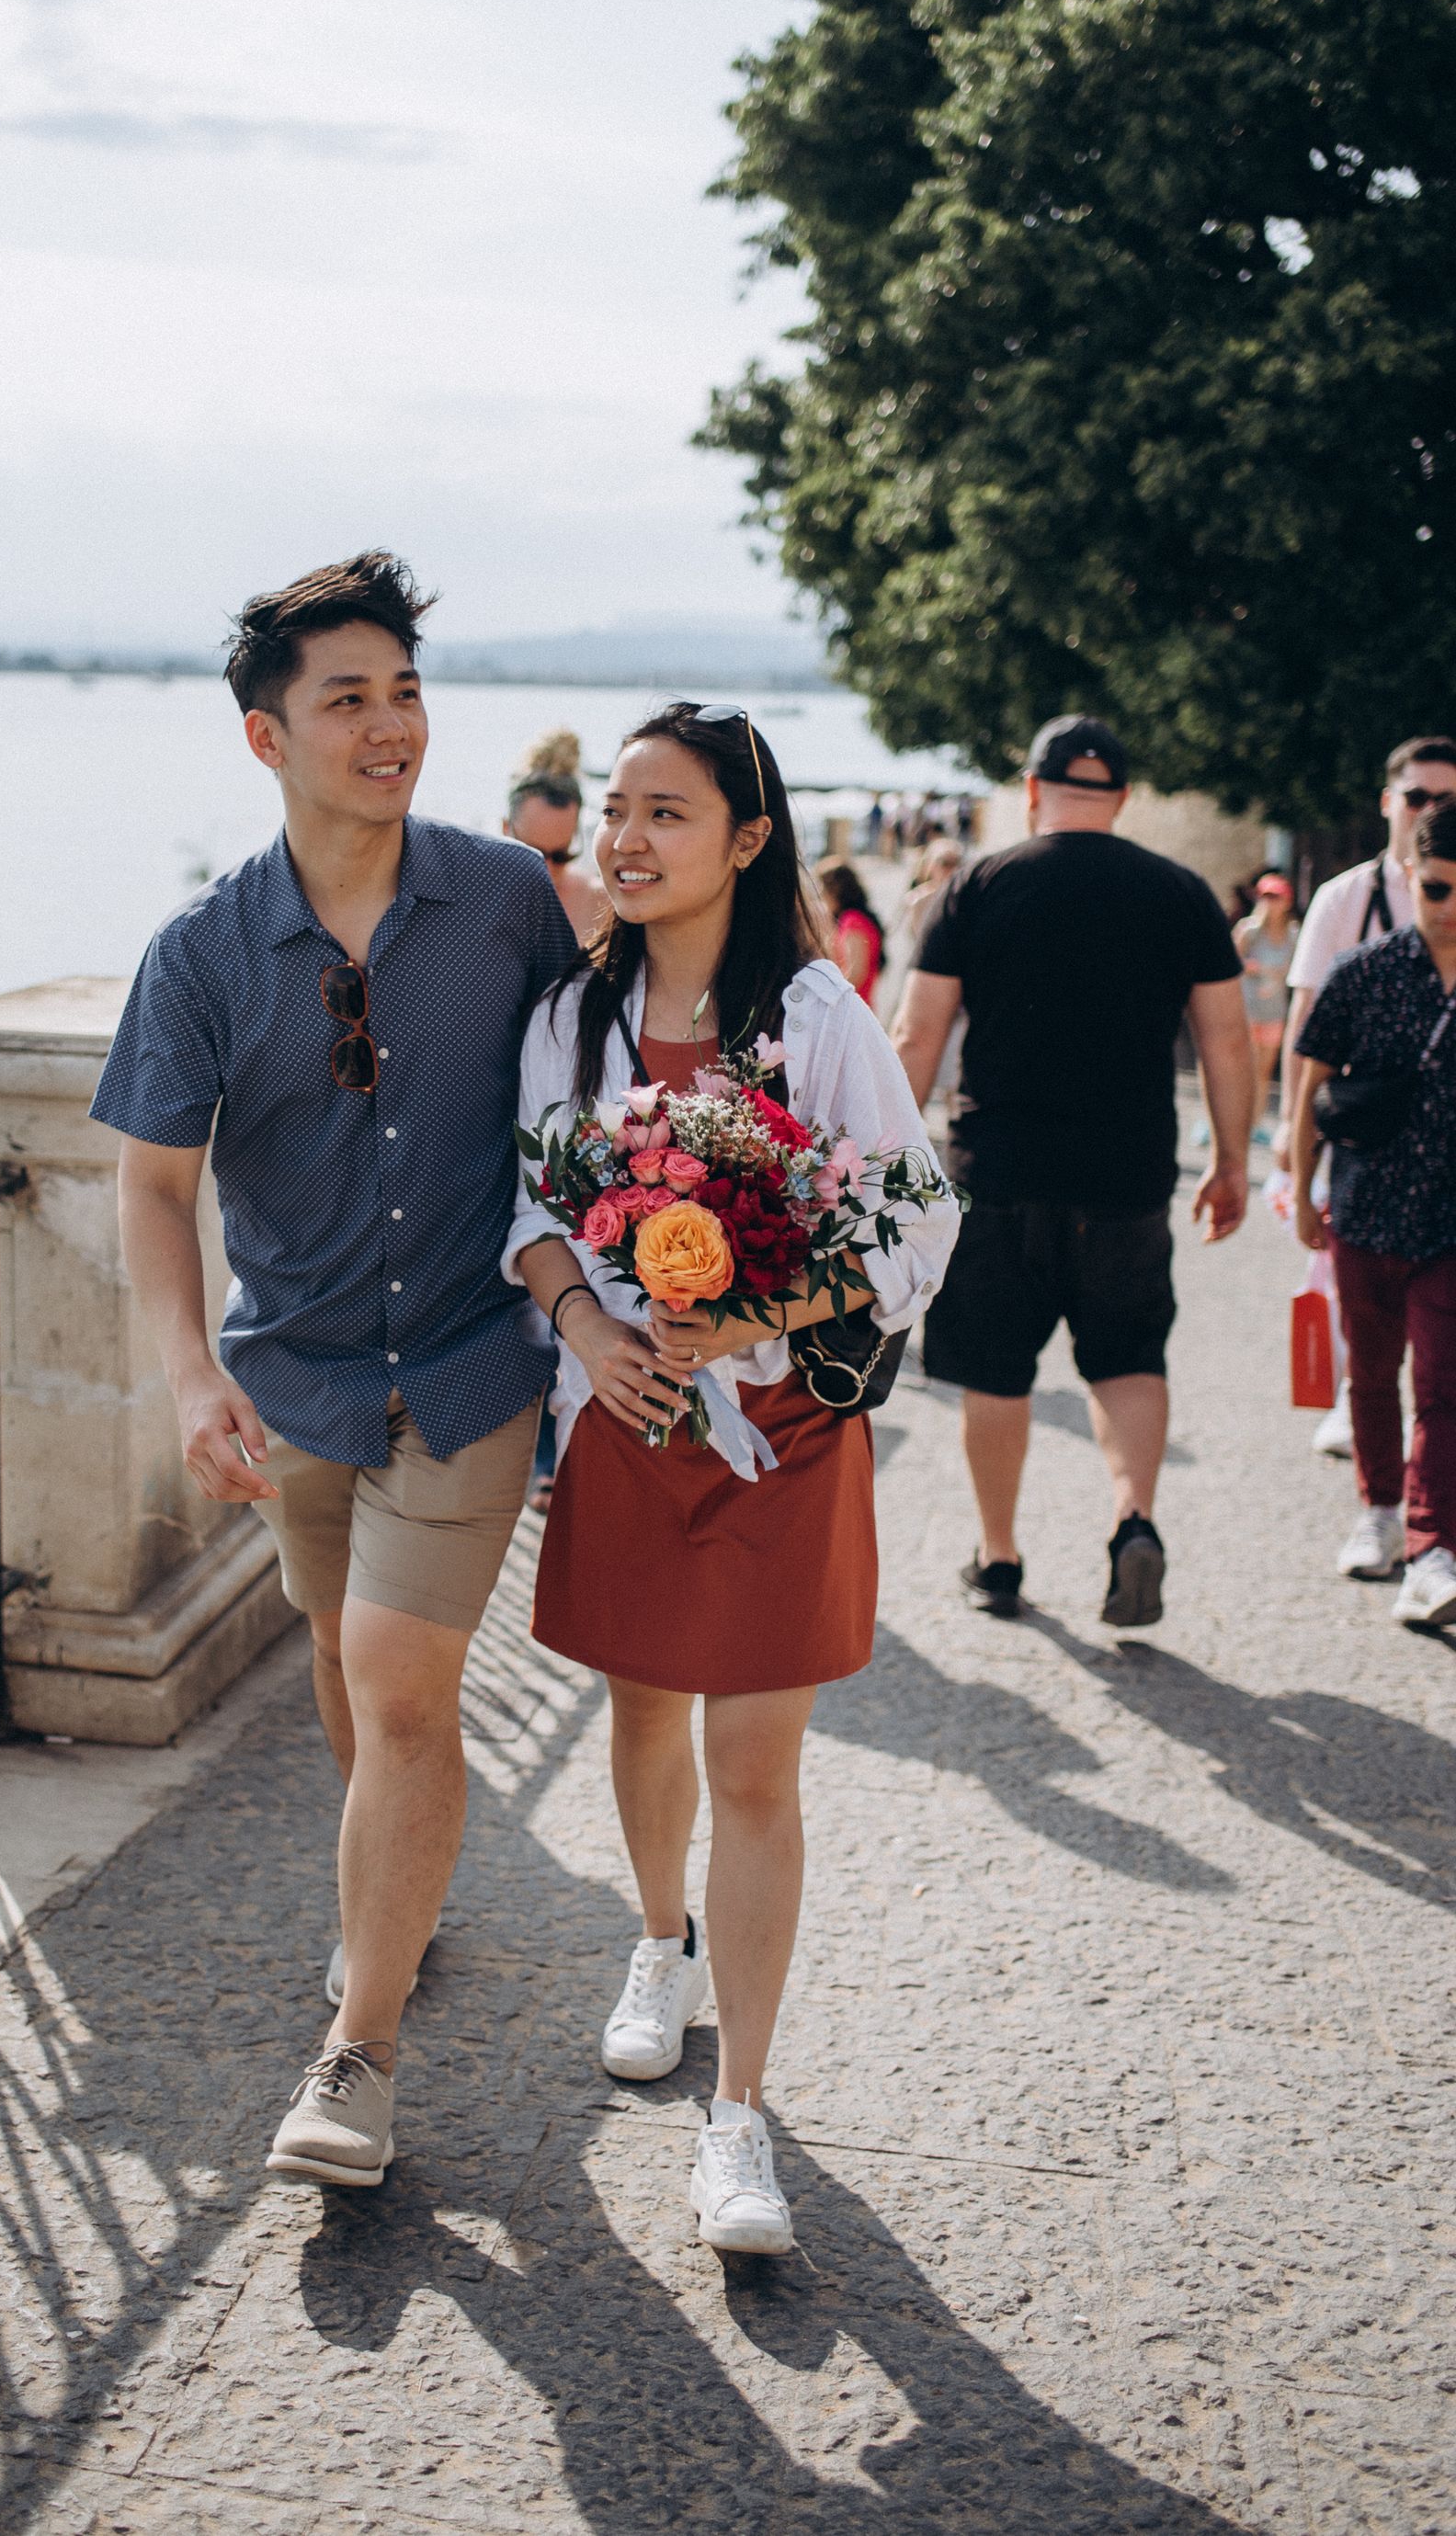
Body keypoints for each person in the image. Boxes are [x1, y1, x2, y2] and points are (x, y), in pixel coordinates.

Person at [92, 552, 576, 2190]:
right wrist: (185, 1382)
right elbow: (152, 1191)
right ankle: (397, 1898)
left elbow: (603, 1086)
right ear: (266, 736)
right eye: (348, 700)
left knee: (399, 1681)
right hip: (288, 1382)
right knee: (342, 1667)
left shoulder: (510, 898)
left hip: (464, 1363)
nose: (390, 728)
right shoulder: (203, 953)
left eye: (408, 693)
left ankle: (358, 2054)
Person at [506, 701, 959, 2256]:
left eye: (665, 812)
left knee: (756, 1765)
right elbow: (529, 1202)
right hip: (627, 1420)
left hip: (786, 1442)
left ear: (747, 838)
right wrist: (589, 1324)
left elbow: (913, 1226)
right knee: (640, 1713)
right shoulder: (572, 1019)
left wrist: (755, 1314)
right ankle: (657, 1939)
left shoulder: (818, 1015)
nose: (624, 837)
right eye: (613, 809)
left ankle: (743, 2119)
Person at [890, 712, 1254, 1627]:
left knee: (995, 1370)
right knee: (1126, 1357)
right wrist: (1231, 1161)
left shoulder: (975, 884)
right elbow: (1224, 1037)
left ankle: (999, 1555)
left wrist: (881, 1170)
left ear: (1028, 790)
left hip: (997, 1172)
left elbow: (916, 1033)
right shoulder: (1179, 893)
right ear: (1122, 798)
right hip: (1125, 1175)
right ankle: (1133, 1519)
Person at [1290, 800, 1456, 1627]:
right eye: (1435, 889)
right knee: (1372, 1376)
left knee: (1443, 1383)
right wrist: (1300, 1188)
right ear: (1413, 878)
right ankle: (1381, 1512)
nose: (1449, 907)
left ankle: (1432, 1548)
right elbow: (1310, 1086)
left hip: (1450, 1226)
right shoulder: (1365, 971)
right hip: (1365, 1207)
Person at [505, 729, 607, 942]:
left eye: (561, 856)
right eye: (533, 855)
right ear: (506, 830)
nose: (548, 872)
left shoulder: (600, 902)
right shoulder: (477, 896)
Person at [1234, 871, 1297, 1133]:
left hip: (1274, 1010)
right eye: (1266, 896)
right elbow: (1230, 964)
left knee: (1263, 1072)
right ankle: (1233, 1121)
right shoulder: (1248, 931)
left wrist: (1276, 973)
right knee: (1241, 1069)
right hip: (1247, 1009)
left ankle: (1255, 1123)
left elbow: (1294, 967)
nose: (1270, 902)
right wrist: (1259, 969)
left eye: (1276, 897)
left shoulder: (1293, 934)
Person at [814, 855, 884, 1006]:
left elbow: (856, 973)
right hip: (861, 1006)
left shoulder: (852, 920)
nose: (819, 895)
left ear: (835, 890)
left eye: (821, 888)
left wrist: (827, 999)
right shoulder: (858, 917)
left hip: (852, 1009)